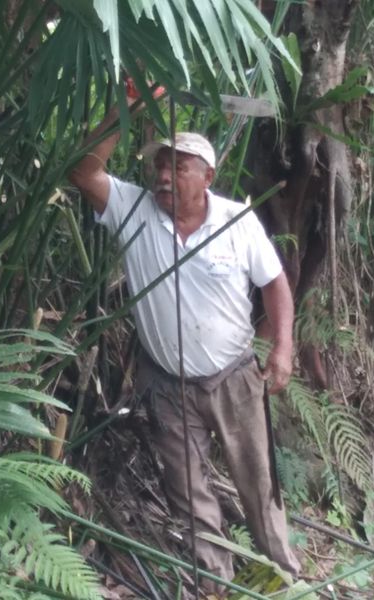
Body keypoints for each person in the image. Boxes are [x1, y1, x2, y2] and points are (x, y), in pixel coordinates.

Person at [69, 100, 300, 597]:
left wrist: (282, 346)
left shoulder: (237, 220)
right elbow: (84, 171)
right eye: (159, 166)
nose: (164, 176)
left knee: (259, 481)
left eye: (179, 167)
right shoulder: (133, 210)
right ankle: (216, 585)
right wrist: (125, 107)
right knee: (188, 492)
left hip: (234, 376)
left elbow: (275, 283)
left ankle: (285, 578)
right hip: (166, 384)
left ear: (207, 176)